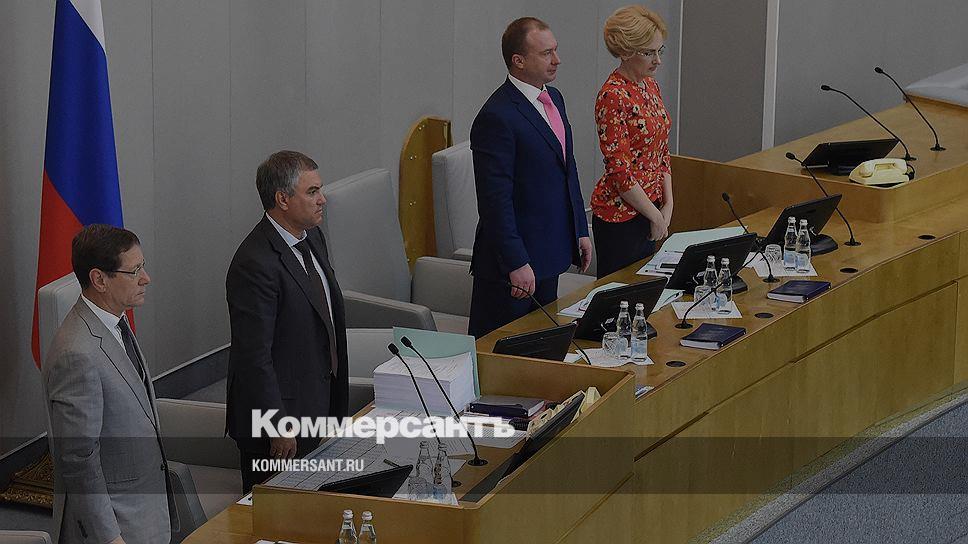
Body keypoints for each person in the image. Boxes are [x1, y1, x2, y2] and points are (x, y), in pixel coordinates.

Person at [226, 150, 349, 494]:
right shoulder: (254, 263)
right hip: (280, 426)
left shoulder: (312, 237)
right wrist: (276, 423)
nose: (323, 199)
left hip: (318, 403)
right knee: (279, 516)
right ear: (282, 199)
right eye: (312, 192)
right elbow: (253, 357)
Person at [42, 224, 171, 544]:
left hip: (144, 510)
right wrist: (109, 537)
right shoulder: (76, 354)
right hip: (116, 527)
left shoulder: (114, 321)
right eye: (135, 271)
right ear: (99, 279)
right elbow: (79, 460)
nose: (146, 278)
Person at [468, 16, 592, 338]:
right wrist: (515, 262)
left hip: (550, 252)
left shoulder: (555, 98)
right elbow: (494, 202)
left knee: (542, 347)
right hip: (512, 268)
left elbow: (567, 168)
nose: (557, 59)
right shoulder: (497, 116)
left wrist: (579, 228)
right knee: (504, 352)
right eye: (546, 53)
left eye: (556, 50)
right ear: (518, 61)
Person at [590, 6, 674, 278]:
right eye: (649, 53)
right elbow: (620, 172)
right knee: (621, 294)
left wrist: (668, 204)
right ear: (626, 52)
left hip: (652, 208)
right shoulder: (612, 95)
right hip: (621, 216)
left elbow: (662, 150)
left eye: (660, 51)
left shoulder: (650, 85)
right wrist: (655, 215)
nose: (657, 60)